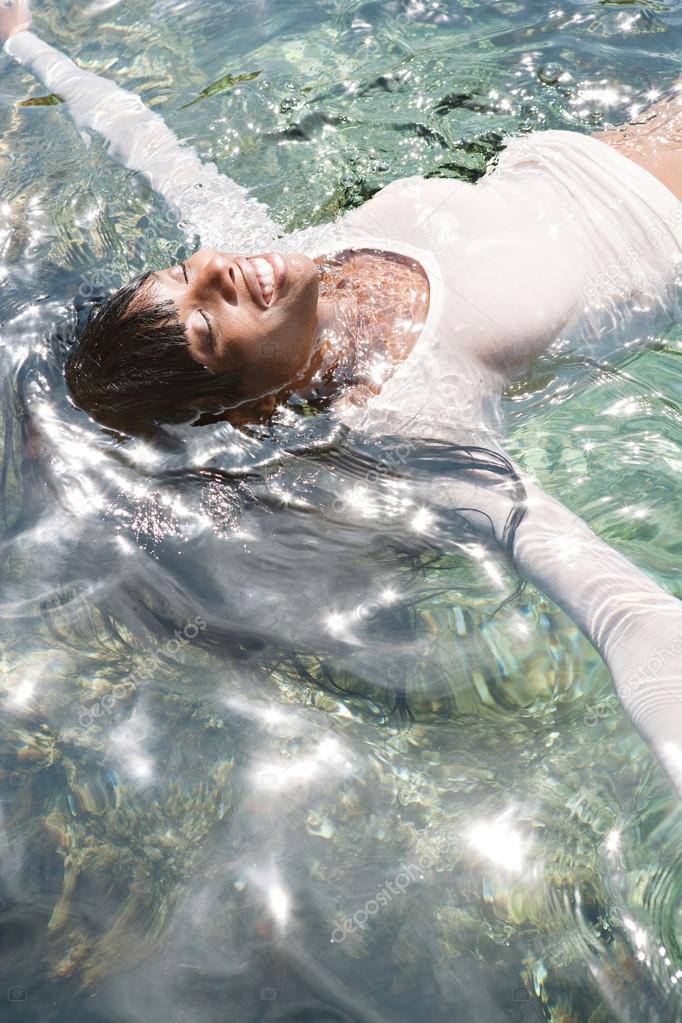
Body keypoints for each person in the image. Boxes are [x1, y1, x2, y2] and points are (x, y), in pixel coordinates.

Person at [4, 1, 682, 801]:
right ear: (244, 412)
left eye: (185, 274)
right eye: (205, 327)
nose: (217, 270)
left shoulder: (288, 255)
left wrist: (26, 46)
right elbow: (622, 611)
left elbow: (143, 140)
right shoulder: (418, 421)